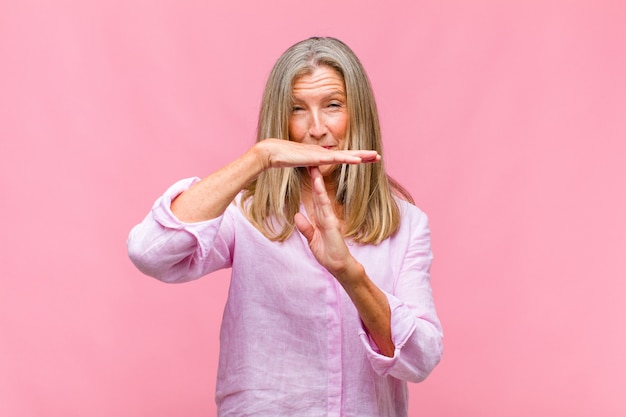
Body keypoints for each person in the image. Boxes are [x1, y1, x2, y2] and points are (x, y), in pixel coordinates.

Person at [127, 36, 442, 417]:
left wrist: (350, 274)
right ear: (281, 120)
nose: (316, 128)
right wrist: (260, 157)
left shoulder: (406, 224)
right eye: (297, 109)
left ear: (359, 114)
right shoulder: (247, 213)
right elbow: (150, 252)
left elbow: (420, 358)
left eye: (333, 106)